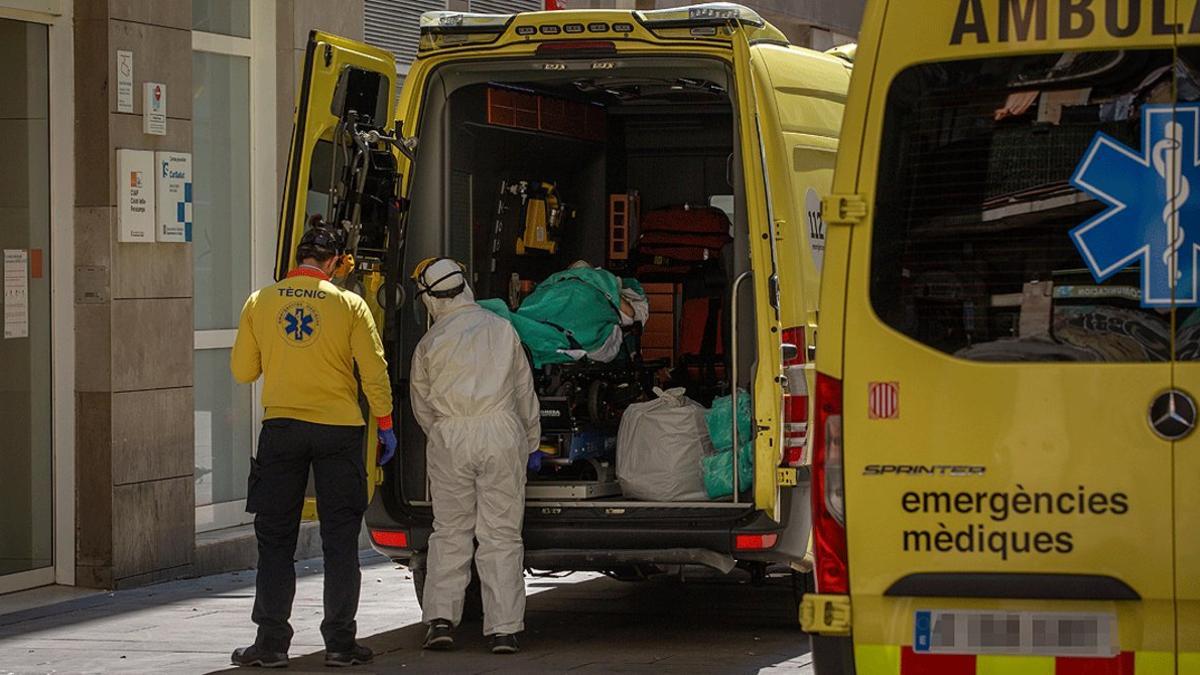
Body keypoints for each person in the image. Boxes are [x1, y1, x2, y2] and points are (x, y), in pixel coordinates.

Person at [228, 220, 397, 669]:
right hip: (338, 430)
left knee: (275, 537)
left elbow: (243, 371)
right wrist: (384, 422)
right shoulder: (350, 305)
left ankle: (271, 644)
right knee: (340, 538)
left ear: (295, 260)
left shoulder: (260, 301)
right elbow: (373, 370)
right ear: (337, 263)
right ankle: (340, 643)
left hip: (281, 429)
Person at [408, 257, 540, 655]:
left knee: (450, 531)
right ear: (464, 285)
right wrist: (530, 442)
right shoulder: (501, 329)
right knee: (500, 533)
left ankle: (441, 621)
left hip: (451, 435)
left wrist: (445, 435)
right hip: (500, 433)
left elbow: (422, 404)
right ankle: (503, 630)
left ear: (431, 298)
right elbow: (523, 392)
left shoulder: (430, 342)